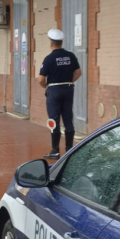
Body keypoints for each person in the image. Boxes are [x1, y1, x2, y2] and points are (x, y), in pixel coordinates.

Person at [38, 28, 82, 159]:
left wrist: (47, 87)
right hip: (68, 89)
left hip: (54, 90)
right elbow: (78, 72)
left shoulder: (49, 59)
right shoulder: (71, 56)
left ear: (51, 43)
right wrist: (68, 81)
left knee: (54, 119)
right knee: (68, 118)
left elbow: (41, 79)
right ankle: (69, 149)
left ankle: (55, 150)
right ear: (61, 42)